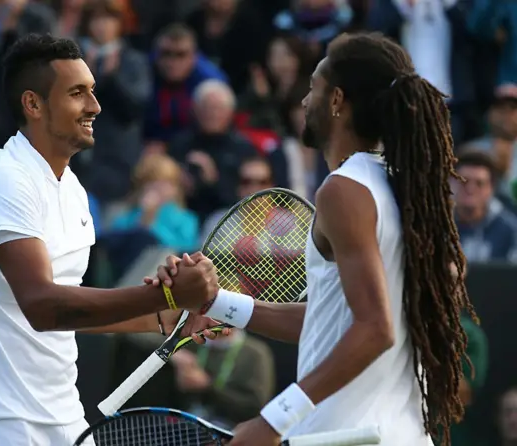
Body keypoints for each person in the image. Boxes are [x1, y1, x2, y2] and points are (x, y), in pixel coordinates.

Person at [148, 32, 477, 446]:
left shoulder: (344, 189)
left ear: (337, 101)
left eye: (313, 87)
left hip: (346, 437)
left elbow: (376, 328)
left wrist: (272, 421)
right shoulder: (404, 190)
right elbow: (330, 321)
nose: (304, 101)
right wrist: (217, 303)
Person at [0, 34, 226, 446]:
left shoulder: (70, 188)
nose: (95, 106)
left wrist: (167, 318)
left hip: (63, 418)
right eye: (77, 93)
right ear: (33, 104)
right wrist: (168, 296)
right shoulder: (2, 181)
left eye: (92, 91)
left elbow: (70, 305)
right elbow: (43, 306)